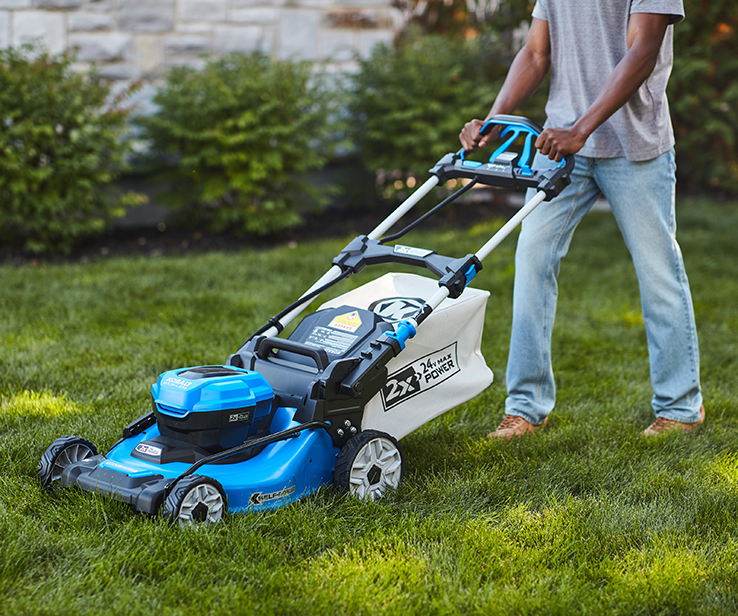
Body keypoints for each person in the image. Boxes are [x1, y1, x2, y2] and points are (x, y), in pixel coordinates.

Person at [459, 0, 704, 438]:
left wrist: (582, 129)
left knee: (658, 271)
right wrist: (496, 119)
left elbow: (643, 51)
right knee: (532, 260)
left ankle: (681, 407)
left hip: (635, 148)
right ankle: (525, 407)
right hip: (560, 146)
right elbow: (536, 52)